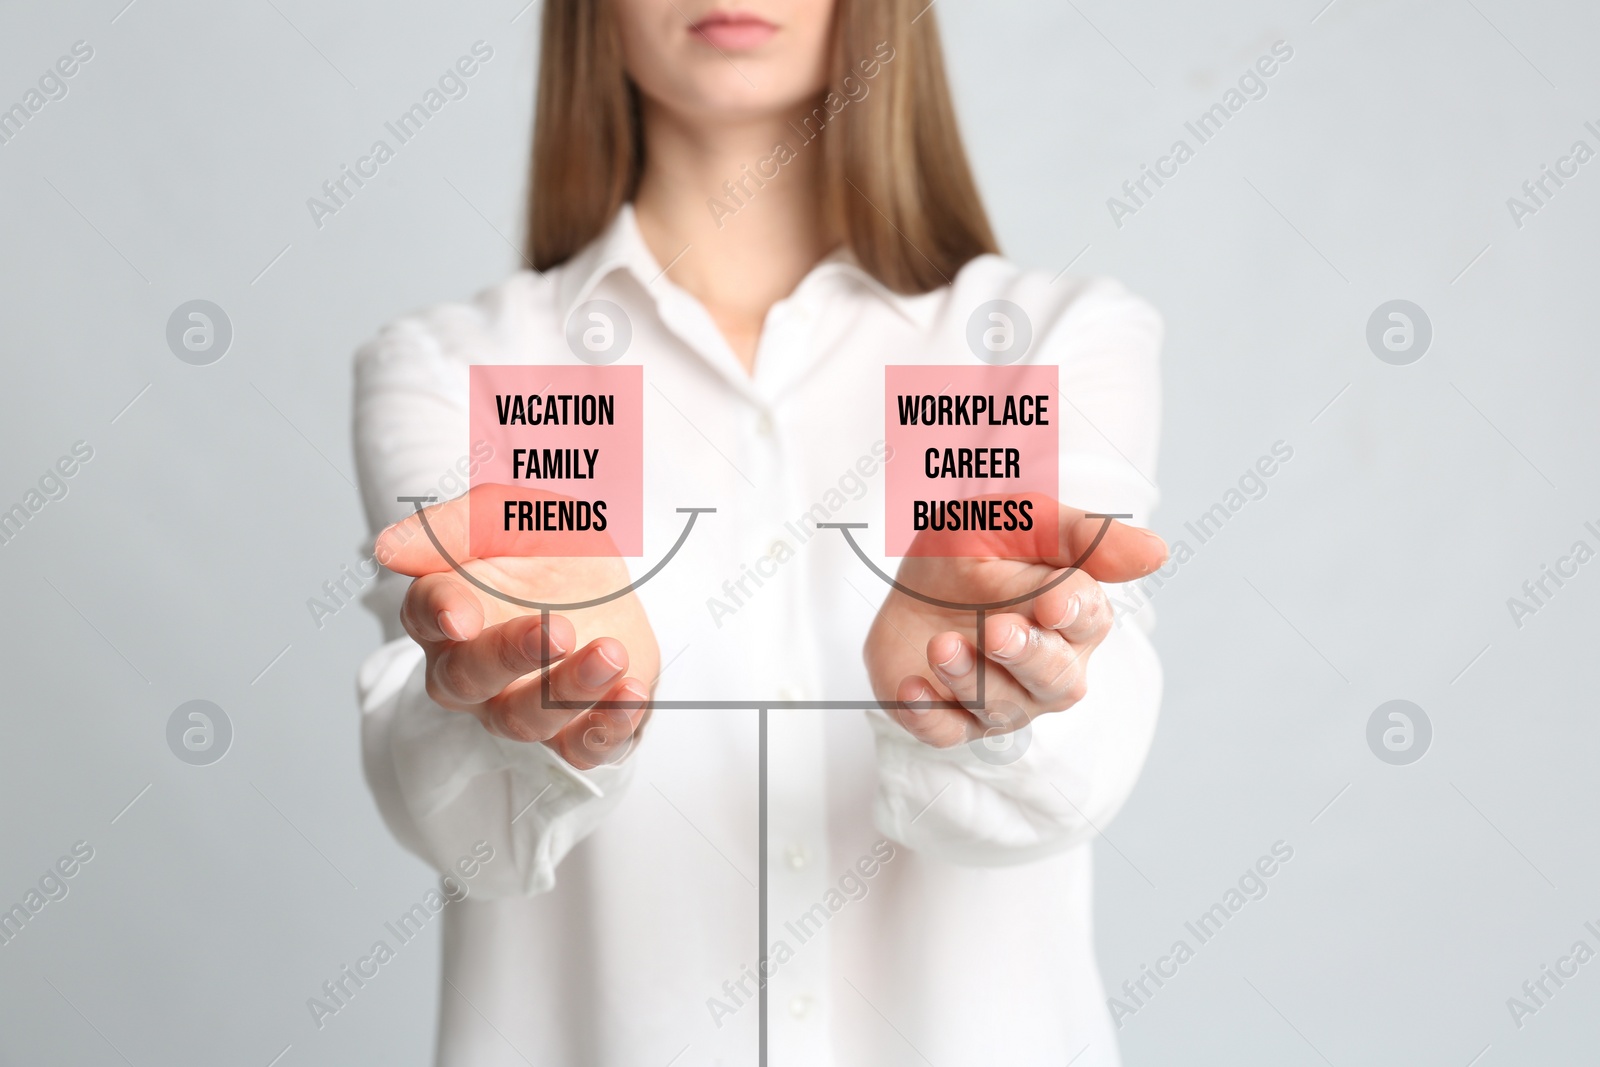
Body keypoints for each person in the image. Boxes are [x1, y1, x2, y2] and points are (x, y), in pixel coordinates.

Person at [352, 1, 1167, 1063]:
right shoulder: (466, 366)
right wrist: (544, 695)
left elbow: (1066, 787)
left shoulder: (1032, 345)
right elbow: (464, 826)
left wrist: (976, 685)